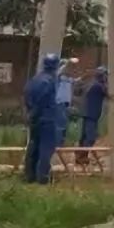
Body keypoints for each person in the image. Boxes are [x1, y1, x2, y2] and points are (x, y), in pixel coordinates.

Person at [23, 54, 60, 184]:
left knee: (33, 146)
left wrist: (30, 113)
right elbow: (43, 101)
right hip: (46, 119)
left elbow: (26, 95)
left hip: (34, 119)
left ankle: (29, 175)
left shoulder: (34, 79)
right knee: (46, 148)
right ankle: (43, 177)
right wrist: (36, 112)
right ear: (55, 66)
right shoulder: (49, 81)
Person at [78, 67, 107, 151]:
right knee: (90, 137)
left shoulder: (93, 84)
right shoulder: (98, 86)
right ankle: (83, 154)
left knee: (84, 136)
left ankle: (80, 154)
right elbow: (111, 93)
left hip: (87, 113)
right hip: (92, 114)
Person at [54, 67, 75, 147]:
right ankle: (57, 144)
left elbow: (77, 80)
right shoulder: (59, 78)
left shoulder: (70, 80)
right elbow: (58, 73)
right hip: (59, 103)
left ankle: (61, 143)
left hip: (66, 104)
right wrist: (66, 64)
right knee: (60, 124)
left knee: (64, 124)